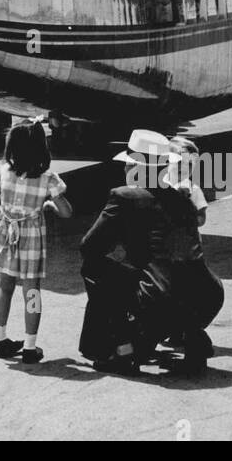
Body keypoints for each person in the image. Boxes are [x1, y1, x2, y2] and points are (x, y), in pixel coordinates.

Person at [78, 130, 224, 376]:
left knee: (94, 268)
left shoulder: (124, 197)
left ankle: (122, 350)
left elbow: (89, 247)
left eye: (128, 165)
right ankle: (192, 340)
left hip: (161, 298)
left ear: (138, 168)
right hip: (206, 295)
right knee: (169, 279)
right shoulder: (182, 199)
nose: (125, 170)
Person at [0, 121, 72, 364]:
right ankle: (30, 347)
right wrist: (50, 204)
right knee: (31, 291)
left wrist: (0, 197)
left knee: (4, 287)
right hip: (31, 239)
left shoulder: (1, 172)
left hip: (4, 235)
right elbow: (67, 212)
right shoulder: (47, 179)